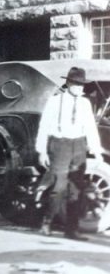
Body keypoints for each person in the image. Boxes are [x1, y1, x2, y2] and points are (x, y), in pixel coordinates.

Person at [36, 66, 103, 240]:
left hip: (79, 146)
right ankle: (47, 222)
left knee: (75, 191)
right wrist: (42, 151)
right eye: (76, 84)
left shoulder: (85, 103)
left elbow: (90, 128)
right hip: (60, 145)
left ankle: (71, 230)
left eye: (82, 85)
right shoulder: (54, 101)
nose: (80, 88)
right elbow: (43, 127)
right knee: (58, 188)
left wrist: (96, 150)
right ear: (68, 83)